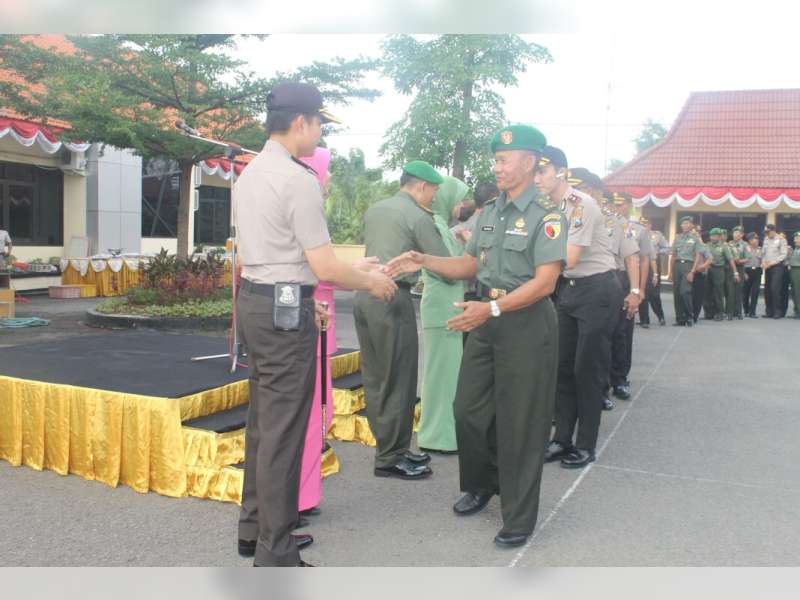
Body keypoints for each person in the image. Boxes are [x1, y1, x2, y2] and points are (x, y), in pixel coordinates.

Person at [234, 81, 397, 567]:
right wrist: (371, 283)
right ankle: (276, 551)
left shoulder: (250, 174)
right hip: (285, 313)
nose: (321, 131)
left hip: (259, 302)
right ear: (301, 122)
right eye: (320, 122)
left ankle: (254, 530)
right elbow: (324, 266)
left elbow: (279, 257)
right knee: (284, 433)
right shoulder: (297, 178)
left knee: (263, 424)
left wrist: (314, 294)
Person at [386, 124, 567, 549]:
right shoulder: (489, 214)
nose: (497, 167)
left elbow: (545, 283)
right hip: (486, 318)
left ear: (528, 162)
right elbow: (469, 267)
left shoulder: (548, 218)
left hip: (525, 323)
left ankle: (519, 515)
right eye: (496, 160)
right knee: (468, 409)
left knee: (520, 421)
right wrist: (422, 258)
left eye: (504, 159)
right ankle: (482, 483)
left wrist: (493, 308)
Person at [355, 160, 451, 481]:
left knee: (376, 377)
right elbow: (443, 263)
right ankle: (391, 457)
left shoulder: (376, 209)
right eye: (434, 190)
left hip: (364, 294)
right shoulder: (418, 217)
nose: (435, 197)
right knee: (400, 377)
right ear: (421, 186)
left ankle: (389, 446)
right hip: (393, 298)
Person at [537, 146, 626, 470]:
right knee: (562, 368)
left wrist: (531, 271)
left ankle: (585, 444)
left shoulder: (580, 204)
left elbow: (570, 257)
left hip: (597, 290)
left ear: (560, 171)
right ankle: (562, 439)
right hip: (571, 291)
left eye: (542, 172)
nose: (537, 179)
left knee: (587, 370)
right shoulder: (554, 207)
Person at [418, 176, 469, 454]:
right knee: (441, 377)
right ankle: (438, 437)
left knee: (447, 376)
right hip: (442, 308)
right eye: (459, 198)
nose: (461, 205)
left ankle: (443, 434)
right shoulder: (435, 224)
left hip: (447, 307)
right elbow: (449, 269)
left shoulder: (444, 227)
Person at [608, 192, 648, 400]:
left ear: (630, 206)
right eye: (612, 203)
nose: (616, 207)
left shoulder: (632, 229)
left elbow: (641, 260)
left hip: (623, 278)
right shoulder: (597, 220)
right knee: (603, 333)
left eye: (620, 204)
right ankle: (603, 383)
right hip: (603, 277)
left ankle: (619, 379)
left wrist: (639, 289)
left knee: (622, 331)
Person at [670, 216, 702, 326]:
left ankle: (689, 316)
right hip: (677, 266)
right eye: (683, 224)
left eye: (687, 223)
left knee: (685, 291)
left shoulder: (695, 238)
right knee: (677, 293)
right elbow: (673, 255)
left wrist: (693, 271)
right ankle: (680, 319)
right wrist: (670, 272)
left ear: (691, 225)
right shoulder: (677, 238)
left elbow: (698, 255)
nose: (685, 225)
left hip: (688, 266)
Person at [638, 217, 667, 327]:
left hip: (653, 264)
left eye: (646, 224)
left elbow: (666, 248)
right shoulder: (637, 235)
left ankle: (661, 316)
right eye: (642, 224)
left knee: (654, 294)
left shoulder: (657, 235)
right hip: (640, 265)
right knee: (641, 292)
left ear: (650, 225)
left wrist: (657, 252)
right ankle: (644, 320)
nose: (644, 226)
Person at [762, 224, 788, 319]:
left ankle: (778, 311)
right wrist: (763, 262)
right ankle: (769, 311)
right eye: (765, 232)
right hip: (767, 267)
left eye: (768, 232)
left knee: (775, 289)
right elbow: (764, 253)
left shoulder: (781, 239)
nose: (767, 233)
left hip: (777, 267)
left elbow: (783, 255)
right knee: (767, 289)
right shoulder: (766, 239)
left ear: (773, 230)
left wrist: (771, 263)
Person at [729, 226, 749, 320]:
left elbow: (748, 258)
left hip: (740, 268)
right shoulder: (729, 244)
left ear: (742, 235)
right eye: (734, 233)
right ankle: (730, 312)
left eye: (738, 233)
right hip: (730, 269)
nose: (735, 235)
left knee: (739, 291)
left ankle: (739, 312)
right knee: (730, 291)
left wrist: (740, 261)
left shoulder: (745, 245)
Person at [742, 232, 763, 318]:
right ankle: (746, 310)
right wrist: (743, 272)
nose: (757, 240)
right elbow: (742, 261)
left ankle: (752, 312)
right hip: (747, 271)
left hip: (757, 271)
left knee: (755, 292)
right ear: (750, 240)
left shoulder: (760, 249)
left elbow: (762, 260)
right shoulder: (745, 249)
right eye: (755, 239)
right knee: (745, 292)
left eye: (757, 239)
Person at [789, 232, 800, 318]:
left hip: (798, 270)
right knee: (794, 292)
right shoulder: (795, 249)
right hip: (793, 270)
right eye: (795, 238)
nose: (795, 240)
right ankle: (796, 310)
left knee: (798, 292)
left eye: (797, 238)